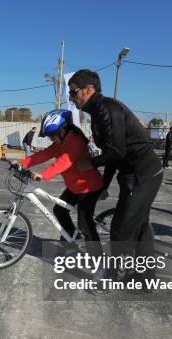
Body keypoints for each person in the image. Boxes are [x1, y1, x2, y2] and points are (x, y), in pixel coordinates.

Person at [68, 69, 163, 288]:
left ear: (89, 89)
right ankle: (146, 281)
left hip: (142, 172)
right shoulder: (97, 113)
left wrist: (90, 164)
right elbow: (113, 155)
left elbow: (116, 153)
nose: (71, 99)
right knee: (139, 226)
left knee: (121, 228)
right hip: (133, 173)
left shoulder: (107, 110)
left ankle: (114, 278)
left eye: (73, 93)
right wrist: (105, 184)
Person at [20, 109, 104, 259]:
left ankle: (99, 263)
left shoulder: (74, 142)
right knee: (59, 210)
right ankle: (71, 243)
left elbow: (63, 162)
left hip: (88, 187)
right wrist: (22, 164)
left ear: (62, 130)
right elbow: (44, 154)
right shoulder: (60, 142)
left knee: (85, 224)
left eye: (53, 136)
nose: (52, 140)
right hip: (75, 186)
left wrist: (43, 175)